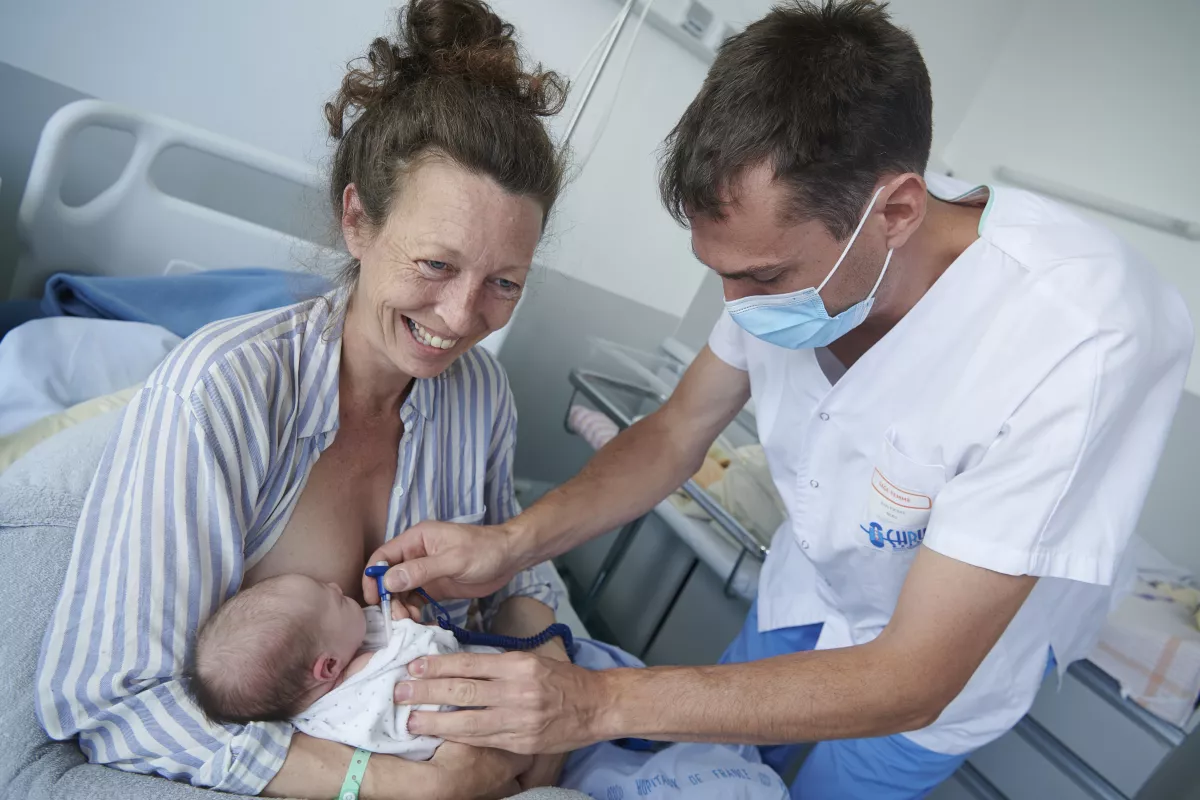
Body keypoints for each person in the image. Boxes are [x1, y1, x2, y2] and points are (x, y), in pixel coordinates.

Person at [368, 2, 1194, 798]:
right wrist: (508, 545)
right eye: (718, 271)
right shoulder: (808, 237)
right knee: (710, 768)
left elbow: (912, 678)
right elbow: (676, 431)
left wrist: (597, 703)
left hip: (930, 684)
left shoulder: (1079, 337)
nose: (737, 308)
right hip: (808, 592)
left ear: (898, 213)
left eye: (762, 279)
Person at [35, 1, 573, 796]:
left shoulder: (480, 397)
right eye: (433, 265)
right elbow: (116, 702)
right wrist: (400, 785)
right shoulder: (219, 394)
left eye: (502, 284)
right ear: (357, 221)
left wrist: (553, 679)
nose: (461, 320)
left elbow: (515, 567)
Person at [183, 574, 489, 760]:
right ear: (328, 666)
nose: (335, 584)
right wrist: (411, 628)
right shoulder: (368, 680)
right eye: (340, 600)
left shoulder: (310, 712)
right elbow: (439, 662)